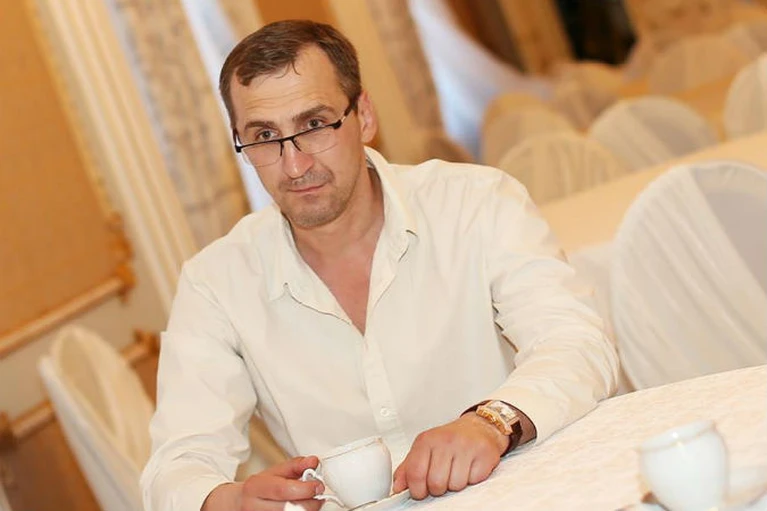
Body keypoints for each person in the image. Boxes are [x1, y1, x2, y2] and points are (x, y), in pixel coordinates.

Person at [140, 19, 619, 511]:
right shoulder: (215, 282)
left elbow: (576, 341)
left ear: (364, 116)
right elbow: (175, 464)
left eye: (314, 125)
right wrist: (230, 500)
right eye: (265, 135)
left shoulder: (476, 202)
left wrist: (491, 422)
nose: (295, 165)